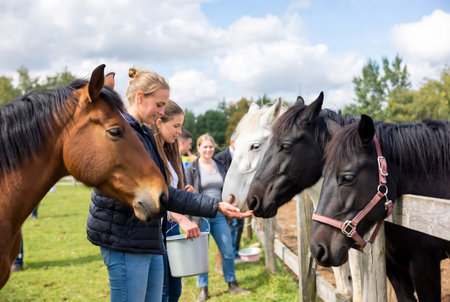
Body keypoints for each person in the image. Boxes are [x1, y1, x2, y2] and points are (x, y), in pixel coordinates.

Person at [86, 67, 252, 302]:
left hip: (149, 237)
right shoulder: (120, 134)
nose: (162, 112)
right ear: (140, 97)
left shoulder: (143, 134)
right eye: (160, 105)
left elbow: (162, 192)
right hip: (125, 240)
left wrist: (216, 206)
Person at [185, 134, 251, 302]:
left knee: (228, 251)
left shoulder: (221, 166)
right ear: (198, 148)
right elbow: (186, 195)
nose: (208, 150)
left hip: (220, 215)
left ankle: (232, 284)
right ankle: (203, 289)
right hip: (201, 217)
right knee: (202, 254)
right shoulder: (191, 169)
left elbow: (229, 186)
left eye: (211, 146)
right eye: (204, 147)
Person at [152, 99, 200, 302]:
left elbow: (171, 192)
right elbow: (154, 198)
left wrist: (183, 193)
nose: (180, 132)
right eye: (176, 126)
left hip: (170, 230)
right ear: (159, 123)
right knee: (162, 293)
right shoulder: (149, 153)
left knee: (175, 291)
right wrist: (181, 218)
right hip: (155, 230)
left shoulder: (172, 153)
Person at [214, 135, 244, 263]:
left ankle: (235, 253)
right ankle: (227, 256)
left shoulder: (243, 156)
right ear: (232, 142)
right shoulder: (220, 158)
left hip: (240, 196)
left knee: (239, 225)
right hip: (225, 199)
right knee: (229, 228)